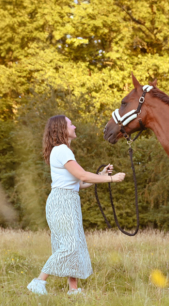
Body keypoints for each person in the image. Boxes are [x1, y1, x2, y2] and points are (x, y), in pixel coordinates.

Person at [27, 115, 125, 295]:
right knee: (69, 246)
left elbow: (80, 184)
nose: (74, 126)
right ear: (61, 129)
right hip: (62, 202)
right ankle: (38, 282)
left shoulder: (63, 151)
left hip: (69, 200)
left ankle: (73, 289)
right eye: (70, 124)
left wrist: (102, 175)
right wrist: (112, 178)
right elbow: (84, 176)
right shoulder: (62, 150)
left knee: (75, 244)